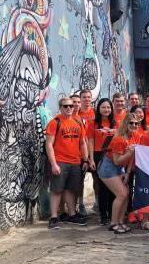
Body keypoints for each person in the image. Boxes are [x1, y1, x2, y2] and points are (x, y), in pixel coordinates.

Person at [45, 97, 89, 229]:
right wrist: (53, 164)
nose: (69, 108)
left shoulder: (78, 122)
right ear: (60, 108)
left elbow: (82, 143)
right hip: (60, 161)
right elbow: (49, 144)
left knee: (71, 190)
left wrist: (85, 159)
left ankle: (71, 214)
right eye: (65, 106)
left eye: (71, 106)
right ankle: (53, 217)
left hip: (75, 162)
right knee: (57, 190)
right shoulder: (55, 123)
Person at [100, 113, 141, 234]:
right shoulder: (119, 139)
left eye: (136, 123)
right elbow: (117, 161)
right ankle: (113, 223)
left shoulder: (136, 136)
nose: (134, 125)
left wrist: (127, 173)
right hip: (108, 167)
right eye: (131, 123)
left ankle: (121, 221)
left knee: (126, 193)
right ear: (125, 124)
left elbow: (132, 156)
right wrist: (129, 153)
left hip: (120, 168)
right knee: (122, 194)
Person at [87, 98, 116, 226]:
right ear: (99, 108)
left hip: (113, 156)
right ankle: (103, 215)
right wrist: (91, 159)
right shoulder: (93, 123)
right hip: (99, 156)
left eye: (108, 107)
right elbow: (90, 141)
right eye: (103, 107)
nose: (106, 110)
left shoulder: (115, 123)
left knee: (113, 188)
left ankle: (112, 213)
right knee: (102, 187)